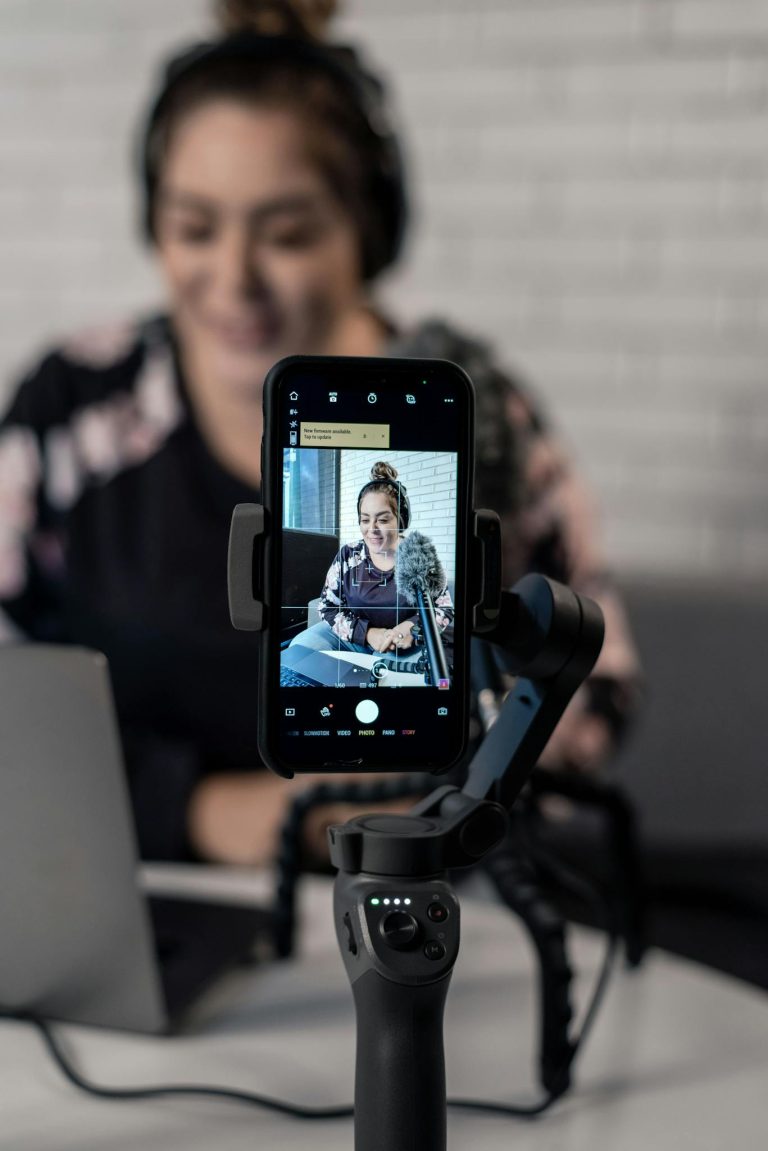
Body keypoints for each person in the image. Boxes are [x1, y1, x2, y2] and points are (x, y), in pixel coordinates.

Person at [0, 0, 640, 867]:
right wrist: (202, 809)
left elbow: (595, 690)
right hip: (131, 889)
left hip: (415, 892)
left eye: (289, 234)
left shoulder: (475, 420)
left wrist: (431, 795)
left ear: (365, 235)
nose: (232, 279)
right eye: (194, 228)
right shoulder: (73, 409)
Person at [289, 460, 453, 666]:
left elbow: (443, 608)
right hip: (351, 638)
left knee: (383, 671)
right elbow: (327, 606)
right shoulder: (348, 555)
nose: (372, 529)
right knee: (299, 650)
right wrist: (367, 633)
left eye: (383, 520)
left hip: (399, 644)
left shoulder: (421, 556)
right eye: (365, 520)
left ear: (400, 520)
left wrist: (411, 628)